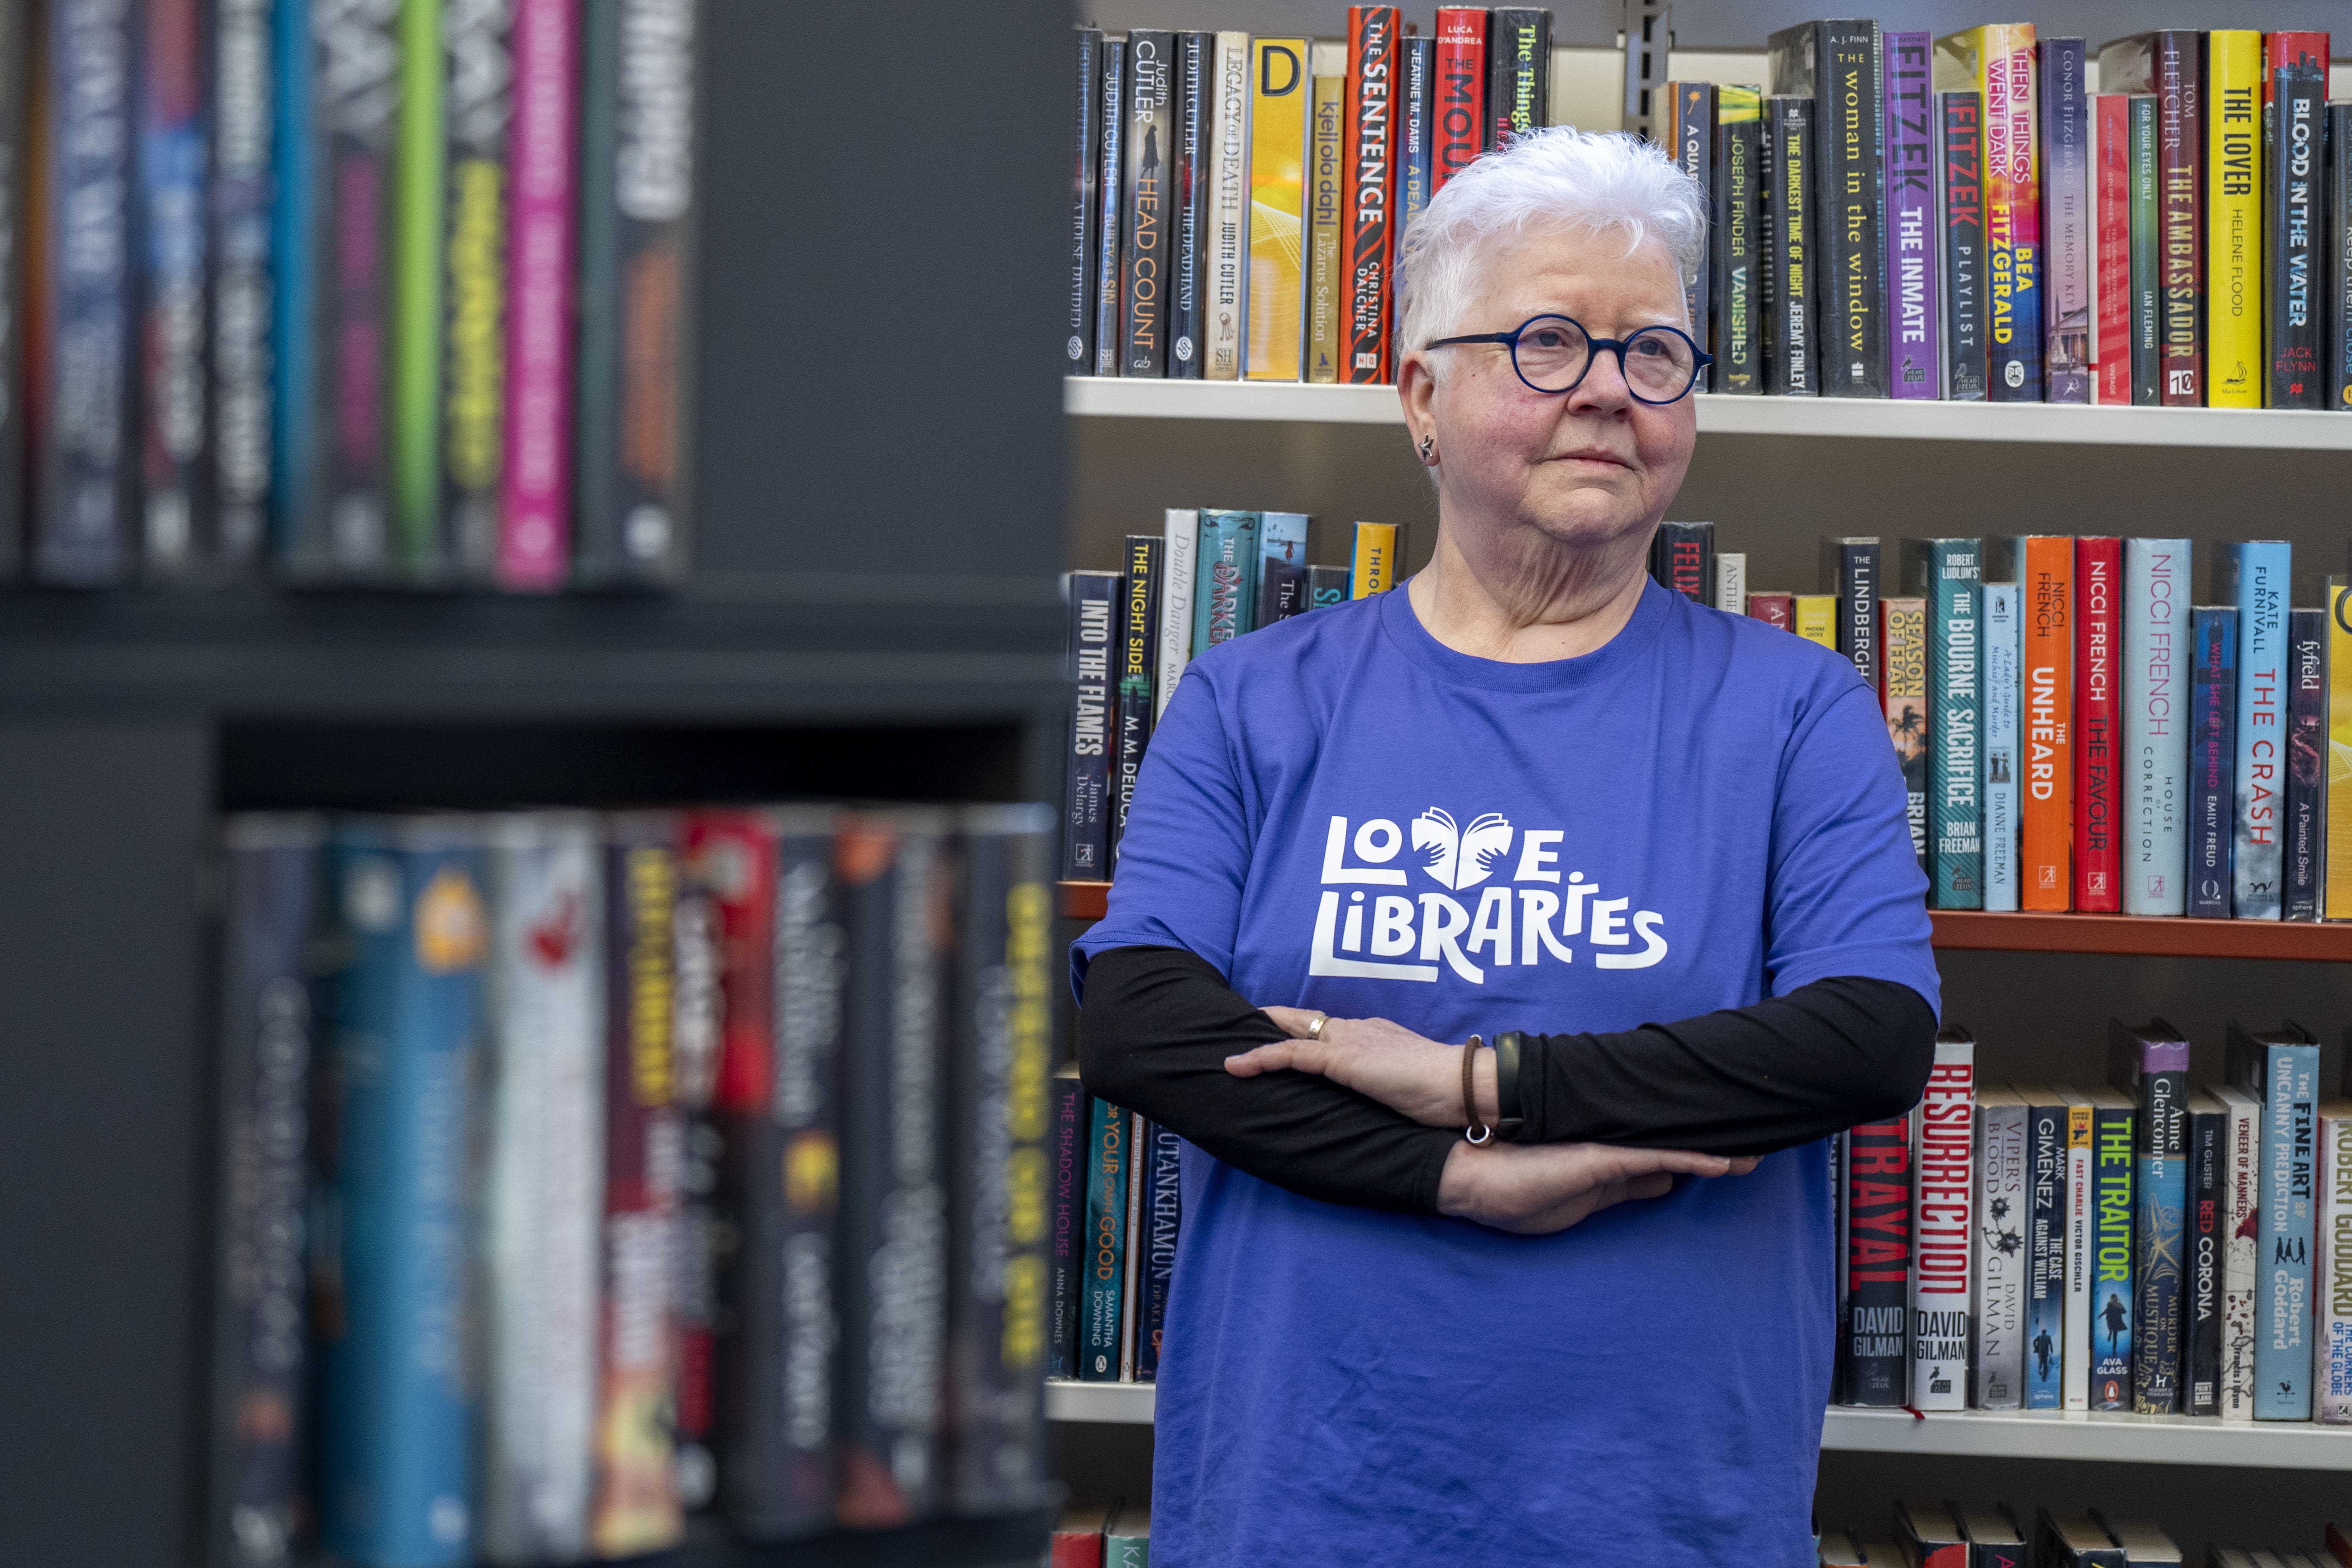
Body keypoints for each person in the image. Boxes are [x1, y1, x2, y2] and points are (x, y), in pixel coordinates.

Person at [1074, 128, 1938, 1565]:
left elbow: (1861, 1040)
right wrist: (1463, 1173)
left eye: (1653, 354)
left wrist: (1483, 1080)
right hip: (1303, 1501)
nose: (1606, 388)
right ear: (1421, 395)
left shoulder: (1792, 707)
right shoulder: (1251, 695)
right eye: (1547, 341)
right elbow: (1141, 1028)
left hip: (1661, 1514)